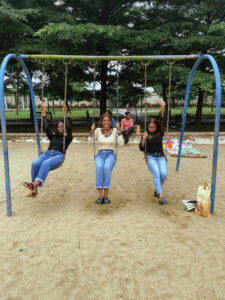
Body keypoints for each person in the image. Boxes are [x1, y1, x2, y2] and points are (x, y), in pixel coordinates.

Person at [22, 105, 73, 197]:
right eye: (59, 127)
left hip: (59, 156)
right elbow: (46, 128)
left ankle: (33, 185)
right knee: (35, 163)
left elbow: (69, 129)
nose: (61, 128)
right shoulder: (52, 136)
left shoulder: (68, 138)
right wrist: (44, 114)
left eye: (62, 126)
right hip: (47, 154)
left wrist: (66, 114)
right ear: (56, 128)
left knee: (45, 163)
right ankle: (34, 191)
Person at [88, 113, 124, 204]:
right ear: (101, 122)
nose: (106, 122)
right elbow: (90, 142)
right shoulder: (98, 131)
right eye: (104, 121)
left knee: (107, 167)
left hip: (111, 154)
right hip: (100, 154)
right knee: (99, 167)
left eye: (108, 120)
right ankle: (100, 195)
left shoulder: (115, 131)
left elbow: (121, 143)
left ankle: (106, 195)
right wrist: (91, 131)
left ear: (110, 122)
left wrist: (119, 129)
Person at [139, 100, 168, 205]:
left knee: (164, 174)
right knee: (156, 173)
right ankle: (161, 195)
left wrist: (162, 108)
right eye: (149, 127)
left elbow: (161, 119)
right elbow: (141, 149)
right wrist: (143, 139)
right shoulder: (145, 134)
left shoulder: (160, 133)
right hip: (150, 157)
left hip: (160, 156)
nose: (151, 129)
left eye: (153, 127)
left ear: (156, 127)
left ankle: (157, 189)